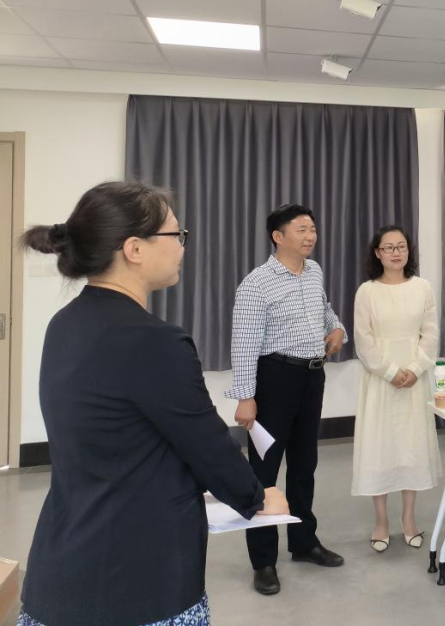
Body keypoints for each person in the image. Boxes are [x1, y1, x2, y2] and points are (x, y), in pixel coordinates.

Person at [17, 181, 288, 626]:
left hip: (62, 564)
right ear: (135, 249)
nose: (182, 247)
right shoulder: (154, 341)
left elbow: (119, 435)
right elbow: (207, 443)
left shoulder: (64, 324)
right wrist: (257, 498)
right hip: (137, 578)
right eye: (176, 234)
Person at [227, 203, 347, 595]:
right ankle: (263, 561)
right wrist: (246, 397)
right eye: (301, 229)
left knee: (304, 465)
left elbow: (324, 310)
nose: (310, 235)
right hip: (274, 379)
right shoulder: (257, 283)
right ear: (278, 236)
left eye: (312, 228)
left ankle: (304, 542)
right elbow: (244, 345)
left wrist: (337, 328)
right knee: (264, 473)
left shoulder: (314, 272)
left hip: (312, 377)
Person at [351, 225, 441, 552]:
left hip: (414, 381)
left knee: (410, 447)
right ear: (377, 253)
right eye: (388, 247)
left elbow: (430, 335)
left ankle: (408, 518)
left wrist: (415, 369)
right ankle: (381, 520)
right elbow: (363, 340)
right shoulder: (367, 291)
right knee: (380, 448)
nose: (395, 252)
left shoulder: (422, 288)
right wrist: (390, 372)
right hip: (380, 380)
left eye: (401, 246)